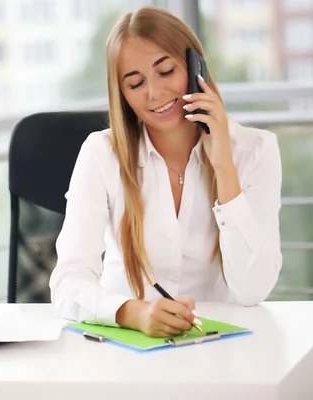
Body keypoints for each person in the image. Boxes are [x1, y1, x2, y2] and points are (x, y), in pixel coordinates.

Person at [49, 6, 282, 338]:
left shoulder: (256, 150)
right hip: (128, 349)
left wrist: (223, 166)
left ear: (194, 66)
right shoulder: (101, 154)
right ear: (123, 95)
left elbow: (253, 289)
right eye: (135, 83)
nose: (154, 93)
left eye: (166, 70)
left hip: (223, 350)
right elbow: (68, 283)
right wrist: (135, 313)